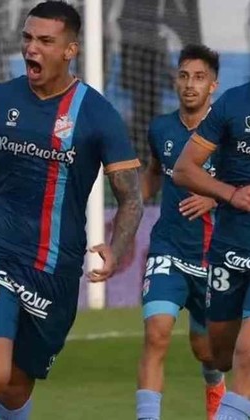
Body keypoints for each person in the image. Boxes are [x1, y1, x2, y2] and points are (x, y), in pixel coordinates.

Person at [0, 2, 144, 418]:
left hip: (55, 268)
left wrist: (117, 247)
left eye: (45, 41)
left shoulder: (98, 115)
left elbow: (130, 196)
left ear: (70, 50)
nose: (31, 49)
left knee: (14, 389)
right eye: (27, 38)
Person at [136, 44, 225, 420]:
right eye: (184, 76)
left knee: (206, 351)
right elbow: (155, 172)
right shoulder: (161, 128)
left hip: (214, 257)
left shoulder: (231, 131)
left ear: (213, 85)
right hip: (168, 249)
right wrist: (130, 205)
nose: (190, 84)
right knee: (156, 334)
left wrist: (215, 197)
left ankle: (215, 388)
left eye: (199, 77)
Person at [173, 83, 250, 419]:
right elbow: (184, 169)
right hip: (230, 246)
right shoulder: (233, 103)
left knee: (247, 353)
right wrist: (230, 194)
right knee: (219, 354)